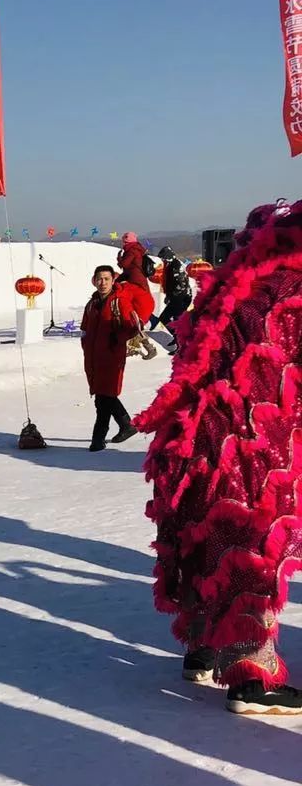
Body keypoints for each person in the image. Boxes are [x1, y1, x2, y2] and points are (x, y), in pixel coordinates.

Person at [136, 198, 302, 714]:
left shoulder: (231, 288)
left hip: (190, 444)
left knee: (206, 540)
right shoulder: (291, 289)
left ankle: (202, 650)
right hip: (249, 444)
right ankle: (253, 677)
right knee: (253, 548)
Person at [80, 264, 146, 451]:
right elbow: (85, 328)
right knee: (104, 395)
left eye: (107, 279)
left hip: (111, 356)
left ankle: (98, 438)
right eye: (99, 279)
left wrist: (116, 338)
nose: (103, 283)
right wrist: (85, 344)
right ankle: (126, 424)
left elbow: (131, 326)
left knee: (104, 397)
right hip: (93, 357)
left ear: (113, 280)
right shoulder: (91, 304)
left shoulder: (119, 301)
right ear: (94, 281)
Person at [148, 246, 192, 351]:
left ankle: (182, 342)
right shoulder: (170, 266)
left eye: (163, 258)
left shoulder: (176, 266)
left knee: (176, 320)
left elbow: (180, 285)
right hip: (176, 298)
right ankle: (178, 338)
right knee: (164, 319)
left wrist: (172, 297)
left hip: (181, 299)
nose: (163, 260)